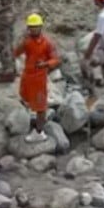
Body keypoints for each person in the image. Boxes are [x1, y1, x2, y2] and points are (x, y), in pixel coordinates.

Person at [13, 14, 61, 143]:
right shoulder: (27, 41)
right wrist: (20, 41)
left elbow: (56, 59)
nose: (34, 30)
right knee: (24, 97)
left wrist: (45, 64)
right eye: (31, 27)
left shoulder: (47, 43)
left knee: (40, 105)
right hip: (27, 76)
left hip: (39, 78)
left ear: (41, 27)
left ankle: (40, 132)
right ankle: (33, 120)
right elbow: (16, 52)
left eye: (36, 27)